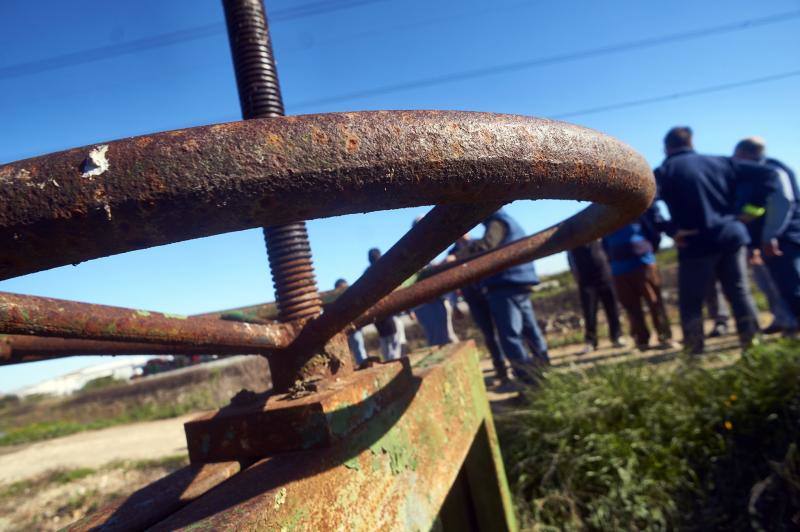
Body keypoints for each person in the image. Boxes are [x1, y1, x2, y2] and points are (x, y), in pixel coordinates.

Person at [655, 126, 761, 354]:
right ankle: (753, 346)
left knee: (692, 302)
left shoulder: (665, 171)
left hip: (695, 242)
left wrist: (670, 229)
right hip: (731, 235)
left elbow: (643, 200)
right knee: (740, 292)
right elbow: (768, 175)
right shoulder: (721, 162)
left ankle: (694, 352)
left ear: (666, 147)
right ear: (691, 143)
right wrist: (750, 210)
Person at [453, 209, 549, 386]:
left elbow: (485, 246)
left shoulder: (496, 222)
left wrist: (457, 257)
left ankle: (529, 384)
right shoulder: (509, 221)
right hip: (519, 280)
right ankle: (545, 373)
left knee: (510, 336)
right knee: (531, 330)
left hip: (504, 283)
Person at [733, 137, 800, 329]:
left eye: (736, 156)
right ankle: (785, 321)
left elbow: (782, 203)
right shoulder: (759, 173)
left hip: (783, 239)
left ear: (744, 153)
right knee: (775, 284)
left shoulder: (771, 170)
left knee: (791, 284)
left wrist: (770, 236)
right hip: (769, 238)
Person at [602, 208, 673, 351]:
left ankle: (665, 337)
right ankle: (641, 341)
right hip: (619, 270)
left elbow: (653, 234)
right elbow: (604, 244)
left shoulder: (635, 209)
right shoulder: (603, 217)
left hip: (643, 264)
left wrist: (646, 251)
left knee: (654, 303)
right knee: (631, 307)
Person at [449, 234, 509, 384]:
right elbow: (452, 281)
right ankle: (502, 370)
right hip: (473, 297)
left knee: (507, 329)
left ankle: (518, 366)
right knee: (489, 334)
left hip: (492, 291)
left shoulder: (480, 243)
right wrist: (454, 304)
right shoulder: (451, 254)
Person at [567, 240, 625, 353]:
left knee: (613, 309)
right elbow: (570, 259)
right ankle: (590, 342)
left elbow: (609, 249)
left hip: (605, 276)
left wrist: (611, 268)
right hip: (586, 281)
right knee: (589, 313)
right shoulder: (572, 239)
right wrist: (575, 274)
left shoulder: (599, 235)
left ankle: (617, 337)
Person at [366, 248, 404, 360]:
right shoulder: (385, 269)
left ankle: (390, 361)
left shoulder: (367, 274)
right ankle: (394, 362)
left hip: (377, 316)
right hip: (388, 315)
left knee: (386, 344)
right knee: (394, 342)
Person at [334, 278, 368, 364]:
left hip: (354, 329)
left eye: (346, 288)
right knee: (344, 354)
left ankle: (362, 364)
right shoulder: (335, 302)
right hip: (341, 332)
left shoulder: (353, 298)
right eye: (341, 289)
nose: (344, 291)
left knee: (358, 348)